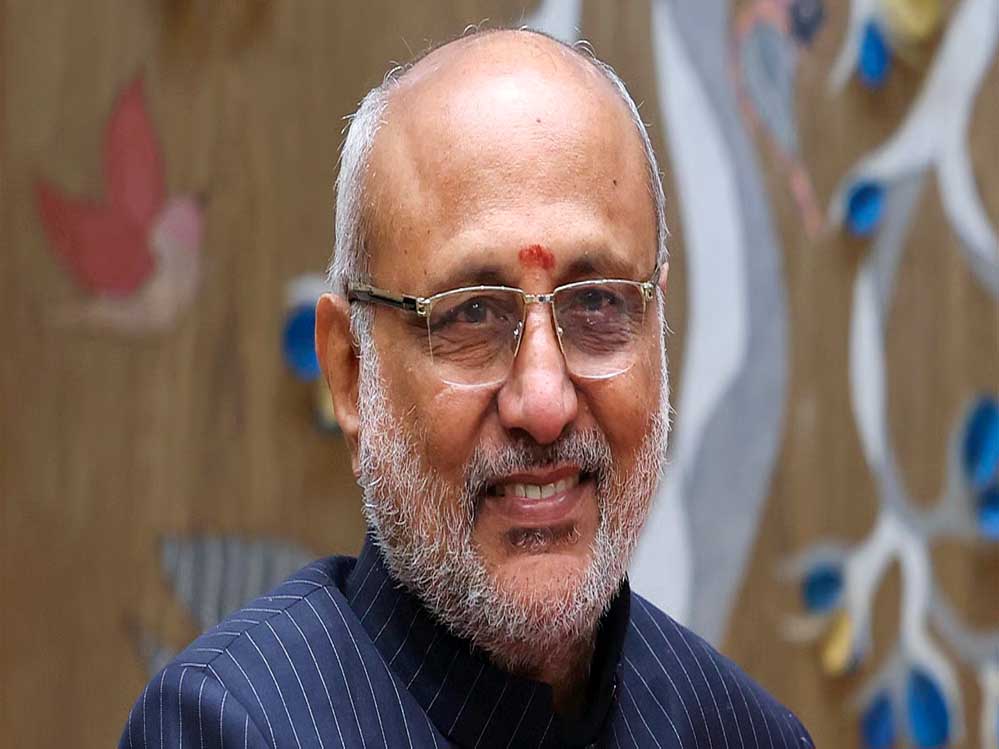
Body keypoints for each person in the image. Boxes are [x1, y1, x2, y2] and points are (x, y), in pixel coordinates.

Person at [120, 28, 813, 748]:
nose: (543, 403)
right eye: (473, 314)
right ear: (351, 373)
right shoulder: (229, 727)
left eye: (596, 304)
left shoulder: (745, 734)